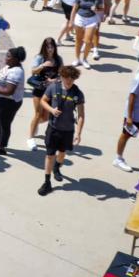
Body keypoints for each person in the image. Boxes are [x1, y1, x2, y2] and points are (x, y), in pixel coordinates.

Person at [38, 65, 85, 196]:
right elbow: (43, 101)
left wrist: (78, 133)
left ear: (75, 78)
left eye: (71, 78)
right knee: (49, 154)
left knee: (62, 153)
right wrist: (51, 110)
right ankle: (47, 182)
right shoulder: (54, 87)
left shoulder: (77, 93)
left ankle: (57, 167)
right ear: (62, 77)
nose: (68, 81)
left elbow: (81, 114)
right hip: (53, 128)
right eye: (66, 78)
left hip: (68, 130)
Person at [25, 37, 63, 150]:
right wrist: (43, 65)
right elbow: (33, 71)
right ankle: (30, 138)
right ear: (44, 47)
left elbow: (61, 74)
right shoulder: (40, 58)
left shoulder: (58, 59)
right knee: (38, 114)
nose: (50, 49)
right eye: (48, 47)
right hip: (39, 90)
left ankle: (35, 124)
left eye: (52, 47)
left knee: (46, 117)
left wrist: (56, 80)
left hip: (51, 92)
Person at [0, 46, 27, 154]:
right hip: (3, 100)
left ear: (16, 59)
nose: (6, 58)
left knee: (5, 124)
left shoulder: (16, 72)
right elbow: (4, 81)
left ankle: (1, 147)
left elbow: (9, 91)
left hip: (10, 102)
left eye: (8, 56)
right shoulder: (10, 66)